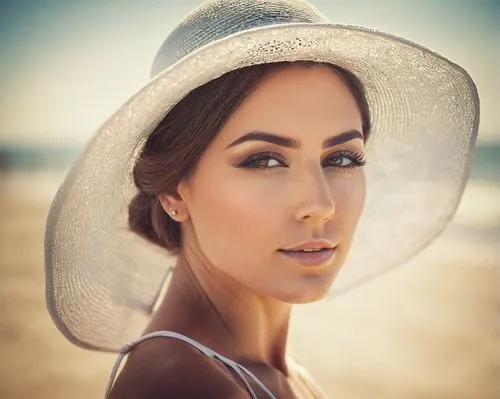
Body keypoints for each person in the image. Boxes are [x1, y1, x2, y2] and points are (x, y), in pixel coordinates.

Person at [44, 0, 479, 398]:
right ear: (175, 190)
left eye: (342, 157)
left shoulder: (275, 374)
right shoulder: (180, 385)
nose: (320, 203)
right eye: (266, 161)